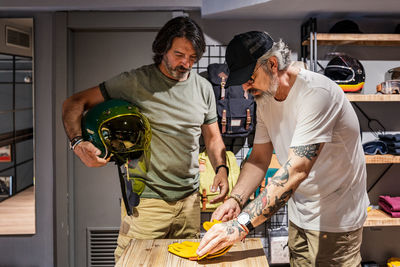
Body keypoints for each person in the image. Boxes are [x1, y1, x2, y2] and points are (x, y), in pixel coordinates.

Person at [62, 16, 229, 261]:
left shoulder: (203, 88)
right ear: (162, 48)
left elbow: (213, 138)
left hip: (190, 203)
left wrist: (222, 169)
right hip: (147, 203)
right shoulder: (135, 82)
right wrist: (78, 144)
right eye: (179, 54)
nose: (186, 63)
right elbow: (74, 103)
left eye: (193, 58)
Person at [197, 31, 369, 266]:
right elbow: (258, 159)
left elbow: (297, 169)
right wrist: (236, 200)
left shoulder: (318, 95)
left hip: (337, 220)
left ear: (272, 63)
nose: (246, 88)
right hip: (300, 215)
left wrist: (240, 224)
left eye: (250, 78)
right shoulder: (265, 99)